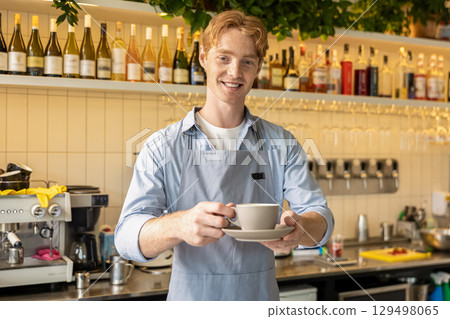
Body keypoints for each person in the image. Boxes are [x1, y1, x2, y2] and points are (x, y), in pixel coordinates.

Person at [115, 10, 334, 301]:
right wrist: (178, 224)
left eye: (247, 62)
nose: (235, 72)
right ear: (204, 58)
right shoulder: (162, 145)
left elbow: (322, 218)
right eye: (224, 58)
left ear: (258, 69)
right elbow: (126, 238)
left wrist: (300, 230)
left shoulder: (281, 142)